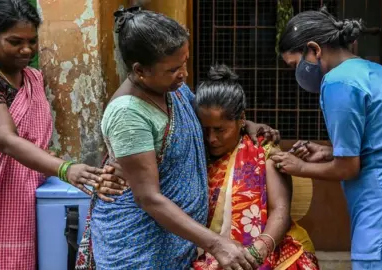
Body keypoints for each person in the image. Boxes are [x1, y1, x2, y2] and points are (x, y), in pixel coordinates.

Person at [76, 7, 278, 270]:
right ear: (140, 71)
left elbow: (201, 121)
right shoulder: (128, 114)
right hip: (138, 246)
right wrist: (216, 244)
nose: (183, 73)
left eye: (184, 62)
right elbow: (148, 197)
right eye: (173, 68)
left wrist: (246, 124)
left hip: (176, 240)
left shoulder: (172, 88)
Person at [272, 7, 382, 270]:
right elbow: (381, 142)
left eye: (295, 65)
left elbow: (348, 167)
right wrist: (328, 151)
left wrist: (300, 168)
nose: (297, 74)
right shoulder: (372, 71)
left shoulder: (338, 82)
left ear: (314, 50)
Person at [0, 0, 106, 269]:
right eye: (15, 41)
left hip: (27, 190)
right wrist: (64, 168)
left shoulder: (32, 78)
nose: (27, 49)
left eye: (32, 41)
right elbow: (5, 139)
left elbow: (30, 137)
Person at [189, 65, 319, 269]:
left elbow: (280, 209)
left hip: (266, 249)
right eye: (205, 130)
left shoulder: (263, 150)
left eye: (220, 130)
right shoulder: (195, 152)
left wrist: (259, 249)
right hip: (212, 253)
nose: (211, 138)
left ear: (242, 119)